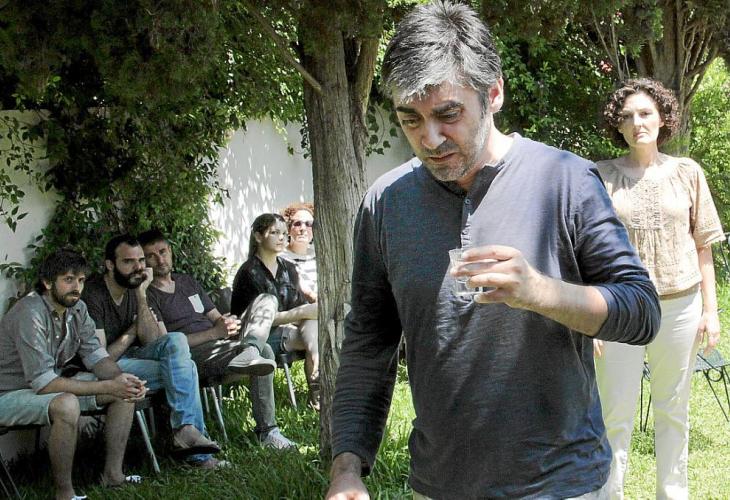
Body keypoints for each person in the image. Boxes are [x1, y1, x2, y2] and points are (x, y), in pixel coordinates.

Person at [325, 2, 661, 499]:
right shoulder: (386, 203)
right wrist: (347, 468)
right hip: (439, 486)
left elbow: (642, 310)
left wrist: (542, 292)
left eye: (448, 114)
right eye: (410, 119)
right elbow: (367, 343)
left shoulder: (565, 180)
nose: (430, 139)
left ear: (494, 93)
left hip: (561, 485)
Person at [593, 78, 724, 500]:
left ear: (663, 118)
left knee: (673, 409)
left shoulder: (688, 172)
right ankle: (608, 494)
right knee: (615, 414)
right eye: (627, 116)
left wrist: (711, 312)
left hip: (681, 306)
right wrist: (592, 319)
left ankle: (672, 493)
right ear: (618, 125)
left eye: (645, 113)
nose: (637, 123)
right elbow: (588, 249)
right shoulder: (601, 176)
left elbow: (703, 246)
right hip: (622, 309)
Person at [0, 250, 144, 500]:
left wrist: (120, 380)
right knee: (66, 404)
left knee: (124, 391)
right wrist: (108, 386)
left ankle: (113, 476)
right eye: (68, 280)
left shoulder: (78, 309)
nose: (77, 288)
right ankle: (65, 494)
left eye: (81, 280)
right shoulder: (30, 312)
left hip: (43, 387)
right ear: (48, 282)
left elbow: (96, 357)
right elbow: (44, 383)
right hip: (9, 393)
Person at [138, 229, 296, 449]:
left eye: (163, 252)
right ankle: (267, 432)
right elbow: (167, 343)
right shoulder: (148, 294)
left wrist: (228, 322)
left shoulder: (187, 282)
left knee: (266, 300)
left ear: (170, 251)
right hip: (192, 355)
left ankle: (250, 348)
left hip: (221, 343)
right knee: (266, 351)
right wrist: (214, 333)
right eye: (151, 256)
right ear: (143, 262)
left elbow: (215, 317)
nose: (160, 259)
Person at [81, 234, 225, 469]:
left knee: (177, 343)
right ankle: (195, 451)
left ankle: (186, 432)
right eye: (128, 261)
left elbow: (152, 340)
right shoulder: (94, 294)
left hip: (134, 359)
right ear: (110, 265)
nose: (138, 267)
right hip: (104, 369)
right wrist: (132, 331)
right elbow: (103, 357)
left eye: (140, 260)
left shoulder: (135, 287)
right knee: (186, 368)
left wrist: (140, 295)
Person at [230, 213, 321, 410]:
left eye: (283, 233)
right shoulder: (249, 272)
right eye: (274, 232)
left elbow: (299, 304)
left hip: (288, 330)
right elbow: (258, 321)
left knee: (313, 322)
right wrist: (302, 312)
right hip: (257, 338)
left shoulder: (288, 268)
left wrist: (307, 312)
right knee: (314, 326)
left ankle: (317, 370)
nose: (281, 237)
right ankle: (318, 392)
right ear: (258, 236)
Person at [281, 202, 317, 303]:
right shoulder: (281, 257)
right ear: (288, 228)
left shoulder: (320, 257)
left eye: (309, 224)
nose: (303, 228)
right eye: (297, 224)